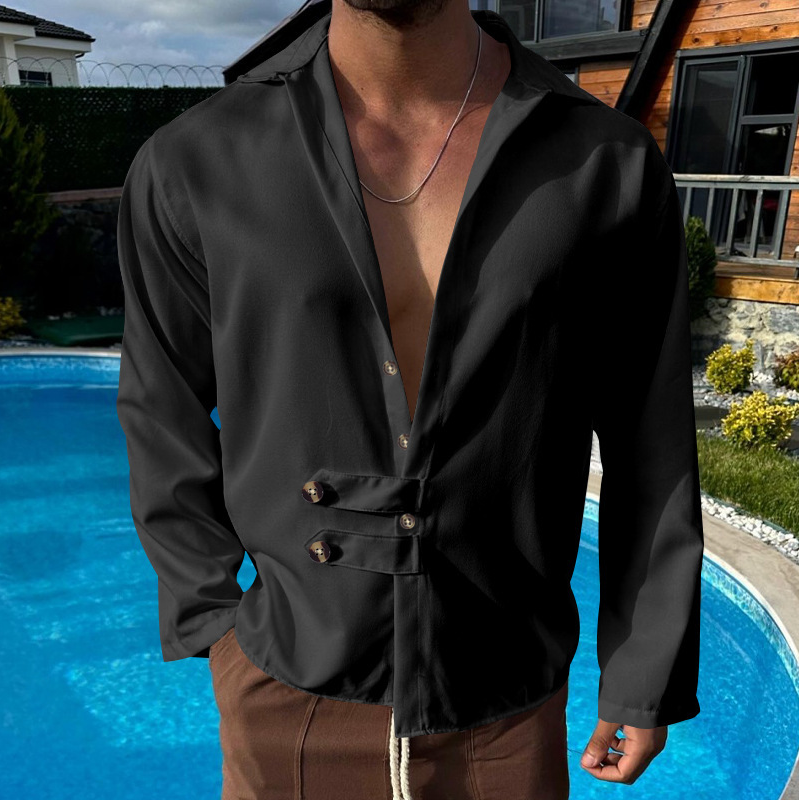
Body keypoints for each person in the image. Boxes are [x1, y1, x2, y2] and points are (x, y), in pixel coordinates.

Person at [115, 0, 704, 796]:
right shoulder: (196, 162)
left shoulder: (606, 163)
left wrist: (643, 670)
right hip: (284, 701)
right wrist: (214, 621)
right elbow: (161, 410)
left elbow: (650, 435)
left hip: (507, 711)